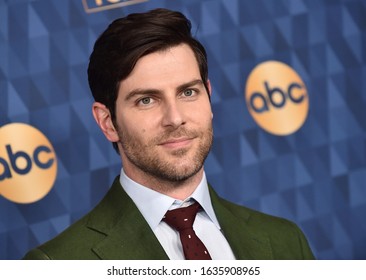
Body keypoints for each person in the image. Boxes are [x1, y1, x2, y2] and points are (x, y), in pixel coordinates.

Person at [23, 8, 314, 260]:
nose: (175, 118)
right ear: (107, 122)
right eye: (146, 100)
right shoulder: (57, 264)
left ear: (209, 96)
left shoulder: (286, 242)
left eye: (188, 92)